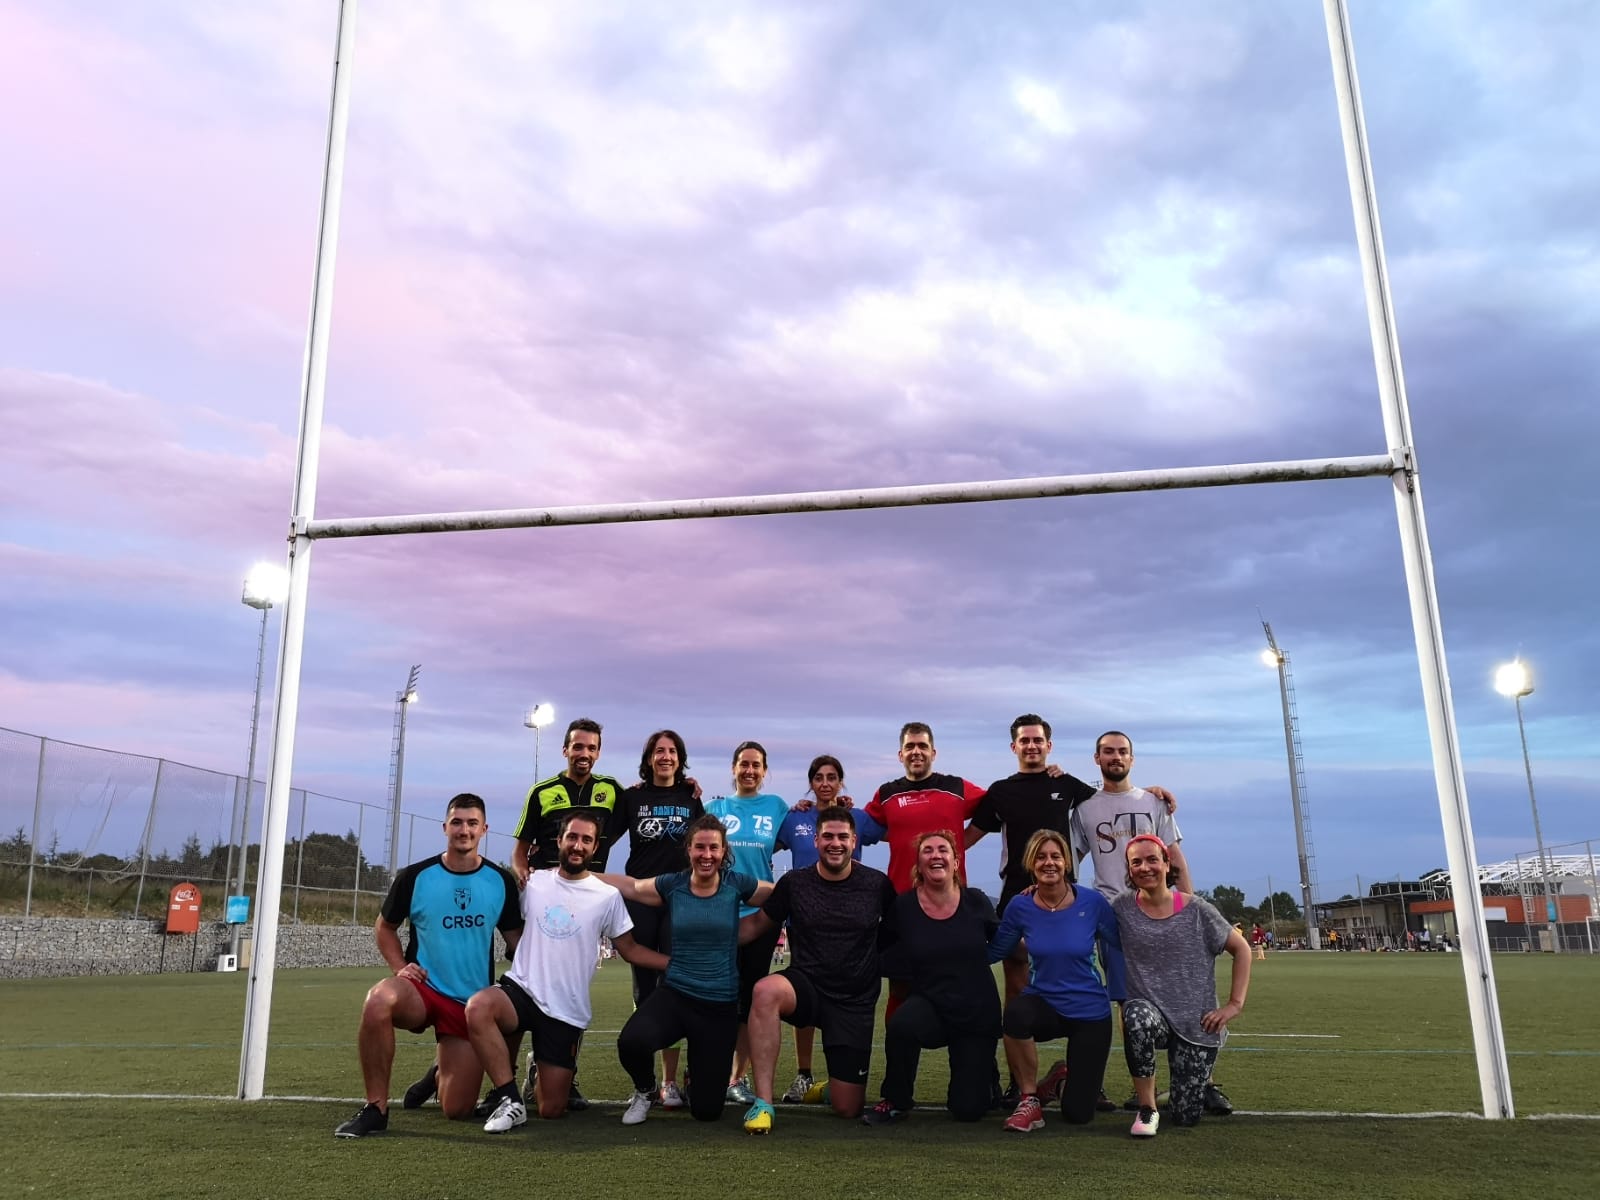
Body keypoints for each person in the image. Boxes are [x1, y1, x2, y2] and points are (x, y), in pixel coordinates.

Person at [964, 714, 1173, 1104]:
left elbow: (1114, 796)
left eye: (1038, 740)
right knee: (1018, 989)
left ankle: (1084, 1073)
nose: (1031, 746)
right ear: (1014, 747)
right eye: (1024, 741)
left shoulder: (1067, 785)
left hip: (1066, 896)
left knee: (1080, 976)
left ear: (1049, 745)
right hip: (1018, 896)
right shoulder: (1000, 791)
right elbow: (967, 837)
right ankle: (1019, 1083)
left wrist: (1150, 794)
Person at [464, 810, 667, 1133]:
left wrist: (673, 963)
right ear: (559, 841)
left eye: (586, 840)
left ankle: (536, 1073)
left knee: (551, 1109)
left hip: (565, 1009)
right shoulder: (533, 883)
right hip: (522, 990)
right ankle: (510, 1100)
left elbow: (629, 949)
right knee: (478, 1007)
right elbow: (505, 920)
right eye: (572, 837)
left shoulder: (607, 897)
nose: (578, 845)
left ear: (595, 848)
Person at [334, 793, 522, 1138]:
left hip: (468, 1004)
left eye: (471, 823)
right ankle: (375, 1108)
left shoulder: (500, 880)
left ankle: (439, 1072)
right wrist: (399, 966)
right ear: (445, 827)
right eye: (456, 822)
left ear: (484, 829)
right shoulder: (416, 876)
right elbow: (384, 927)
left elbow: (516, 940)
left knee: (457, 1109)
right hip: (422, 990)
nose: (463, 830)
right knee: (377, 1001)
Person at [597, 814, 774, 1124]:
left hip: (719, 1005)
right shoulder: (674, 884)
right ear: (689, 849)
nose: (707, 855)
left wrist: (805, 888)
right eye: (700, 848)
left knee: (707, 1112)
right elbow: (634, 886)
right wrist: (580, 875)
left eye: (714, 848)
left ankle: (701, 1071)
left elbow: (776, 895)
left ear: (723, 851)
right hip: (676, 995)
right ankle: (646, 1090)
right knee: (632, 1043)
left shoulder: (735, 883)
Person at [737, 806, 898, 1134]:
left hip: (854, 999)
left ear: (854, 841)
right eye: (828, 836)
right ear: (816, 840)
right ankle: (764, 1104)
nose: (834, 843)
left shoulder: (876, 884)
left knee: (847, 1107)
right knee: (765, 990)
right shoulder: (795, 883)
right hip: (806, 986)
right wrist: (702, 934)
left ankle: (826, 1088)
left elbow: (894, 935)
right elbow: (755, 925)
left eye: (842, 837)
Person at [1113, 835, 1250, 1137]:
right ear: (1129, 868)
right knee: (1134, 1016)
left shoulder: (1197, 910)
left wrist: (1233, 1005)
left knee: (1186, 1116)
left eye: (1152, 859)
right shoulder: (1120, 908)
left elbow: (1242, 949)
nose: (1145, 867)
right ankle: (1147, 1108)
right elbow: (1077, 909)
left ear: (1166, 863)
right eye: (1136, 862)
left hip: (1195, 1023)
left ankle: (1178, 1093)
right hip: (1151, 1017)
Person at [988, 829, 1123, 1134]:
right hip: (1044, 1004)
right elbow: (999, 949)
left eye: (1055, 856)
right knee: (1015, 1014)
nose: (1049, 862)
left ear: (1067, 863)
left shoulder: (1092, 903)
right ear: (1030, 864)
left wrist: (1123, 993)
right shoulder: (1021, 906)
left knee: (1078, 1114)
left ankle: (1059, 1081)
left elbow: (1118, 944)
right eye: (1041, 856)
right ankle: (1030, 1099)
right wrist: (957, 951)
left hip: (1090, 1012)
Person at [862, 830, 1000, 1126]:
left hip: (976, 1011)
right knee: (902, 1025)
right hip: (932, 1005)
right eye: (928, 850)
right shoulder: (905, 906)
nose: (936, 855)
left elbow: (1005, 942)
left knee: (969, 1110)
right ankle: (896, 1100)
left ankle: (986, 1077)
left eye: (943, 850)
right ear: (919, 863)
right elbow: (881, 948)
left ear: (955, 861)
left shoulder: (976, 901)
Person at [771, 754, 879, 1104]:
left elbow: (894, 827)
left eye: (833, 777)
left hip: (851, 923)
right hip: (806, 920)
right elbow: (762, 843)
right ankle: (804, 1073)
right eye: (819, 777)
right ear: (811, 782)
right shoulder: (796, 817)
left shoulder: (858, 817)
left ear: (841, 782)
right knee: (805, 993)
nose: (826, 783)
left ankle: (840, 1076)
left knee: (844, 996)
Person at [613, 729, 704, 1109]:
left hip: (680, 899)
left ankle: (669, 1081)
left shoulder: (691, 797)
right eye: (658, 751)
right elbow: (602, 839)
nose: (665, 756)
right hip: (641, 897)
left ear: (680, 758)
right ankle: (645, 1082)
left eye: (672, 751)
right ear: (649, 757)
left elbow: (705, 845)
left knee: (676, 984)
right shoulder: (632, 797)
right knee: (643, 989)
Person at [704, 741, 790, 1105]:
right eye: (743, 764)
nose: (749, 771)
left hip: (761, 917)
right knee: (714, 999)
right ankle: (705, 1071)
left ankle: (736, 1078)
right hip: (718, 916)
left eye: (756, 765)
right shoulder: (714, 807)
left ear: (765, 771)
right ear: (733, 768)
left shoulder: (778, 807)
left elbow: (800, 833)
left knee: (751, 1002)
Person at [864, 722, 987, 894]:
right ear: (901, 755)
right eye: (909, 747)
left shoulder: (956, 787)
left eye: (922, 746)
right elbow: (861, 826)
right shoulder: (887, 794)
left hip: (951, 897)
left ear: (933, 753)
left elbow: (993, 806)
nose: (916, 752)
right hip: (900, 896)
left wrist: (963, 840)